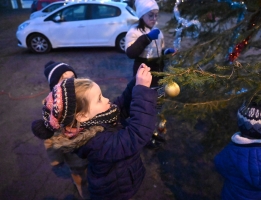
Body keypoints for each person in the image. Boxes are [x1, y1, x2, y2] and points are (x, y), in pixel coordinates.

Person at [32, 63, 157, 200]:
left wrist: (135, 83)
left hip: (125, 179)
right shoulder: (96, 142)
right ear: (82, 116)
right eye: (99, 99)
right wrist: (142, 90)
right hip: (115, 192)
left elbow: (120, 106)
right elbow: (137, 134)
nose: (107, 100)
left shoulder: (96, 117)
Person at [42, 61, 90, 199]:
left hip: (90, 148)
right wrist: (55, 158)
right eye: (65, 80)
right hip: (72, 154)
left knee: (92, 171)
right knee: (79, 174)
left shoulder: (83, 98)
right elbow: (49, 136)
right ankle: (82, 191)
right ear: (55, 87)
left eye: (73, 78)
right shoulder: (52, 110)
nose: (71, 82)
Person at [125, 0, 175, 88]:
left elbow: (158, 50)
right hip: (143, 73)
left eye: (156, 15)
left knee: (157, 95)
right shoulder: (134, 32)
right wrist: (146, 38)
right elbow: (131, 53)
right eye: (151, 15)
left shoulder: (157, 31)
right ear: (142, 15)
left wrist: (165, 52)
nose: (154, 18)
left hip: (158, 72)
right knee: (144, 96)